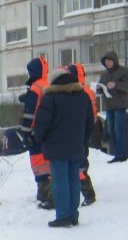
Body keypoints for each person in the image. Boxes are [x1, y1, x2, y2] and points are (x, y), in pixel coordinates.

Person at [33, 67, 95, 228]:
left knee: (59, 181)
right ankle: (73, 215)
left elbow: (42, 123)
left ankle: (63, 216)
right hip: (76, 146)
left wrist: (38, 138)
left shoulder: (50, 98)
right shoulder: (83, 96)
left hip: (56, 147)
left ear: (53, 81)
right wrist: (83, 141)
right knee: (73, 179)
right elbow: (90, 122)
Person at [19, 56, 53, 209]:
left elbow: (30, 113)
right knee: (48, 163)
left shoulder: (35, 88)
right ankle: (49, 192)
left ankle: (45, 194)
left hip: (35, 131)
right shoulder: (47, 85)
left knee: (39, 164)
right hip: (49, 131)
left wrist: (25, 132)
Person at [68, 63, 97, 206]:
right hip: (82, 133)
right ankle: (85, 191)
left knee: (80, 165)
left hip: (81, 133)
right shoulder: (85, 91)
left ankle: (88, 193)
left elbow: (89, 116)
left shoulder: (82, 93)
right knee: (80, 163)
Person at [98, 50, 128, 162]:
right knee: (111, 130)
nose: (107, 63)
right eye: (105, 61)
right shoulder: (104, 74)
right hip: (109, 105)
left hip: (120, 104)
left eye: (109, 61)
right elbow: (101, 87)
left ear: (114, 61)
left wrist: (116, 85)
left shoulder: (124, 71)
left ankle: (121, 154)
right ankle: (115, 153)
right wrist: (99, 89)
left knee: (119, 129)